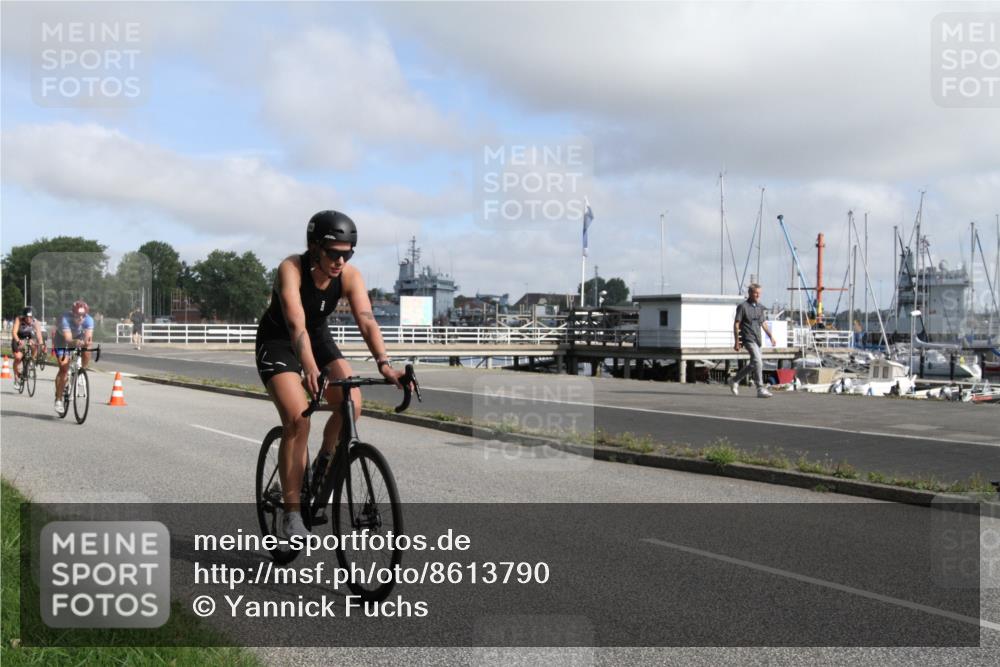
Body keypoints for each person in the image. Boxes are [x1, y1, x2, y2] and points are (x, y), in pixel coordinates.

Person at [255, 210, 409, 539]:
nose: (341, 261)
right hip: (281, 342)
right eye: (333, 253)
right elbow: (296, 324)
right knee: (298, 418)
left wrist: (384, 363)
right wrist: (309, 367)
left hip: (319, 338)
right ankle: (292, 512)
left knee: (352, 402)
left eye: (347, 253)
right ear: (314, 248)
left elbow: (367, 320)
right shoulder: (291, 269)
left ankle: (322, 465)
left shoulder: (350, 276)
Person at [729, 283, 776, 398]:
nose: (758, 295)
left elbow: (763, 323)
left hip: (757, 339)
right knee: (758, 362)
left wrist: (771, 336)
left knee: (753, 364)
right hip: (748, 338)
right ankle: (760, 388)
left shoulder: (760, 307)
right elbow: (736, 324)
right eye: (756, 293)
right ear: (750, 293)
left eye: (759, 293)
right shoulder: (743, 307)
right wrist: (737, 342)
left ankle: (734, 380)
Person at [54, 300, 95, 412]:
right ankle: (58, 399)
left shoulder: (89, 320)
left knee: (87, 349)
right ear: (73, 314)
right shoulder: (65, 319)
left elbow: (88, 338)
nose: (81, 318)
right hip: (62, 339)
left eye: (83, 316)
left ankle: (82, 371)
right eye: (78, 316)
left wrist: (86, 343)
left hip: (78, 336)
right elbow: (68, 339)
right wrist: (75, 342)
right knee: (63, 368)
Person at [11, 306, 43, 383]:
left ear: (33, 317)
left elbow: (39, 335)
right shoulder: (19, 319)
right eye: (26, 317)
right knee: (18, 357)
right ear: (23, 316)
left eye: (30, 317)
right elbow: (14, 332)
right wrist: (18, 341)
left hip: (28, 338)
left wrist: (41, 344)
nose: (28, 319)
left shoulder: (36, 322)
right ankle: (16, 375)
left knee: (34, 344)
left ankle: (31, 360)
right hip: (18, 338)